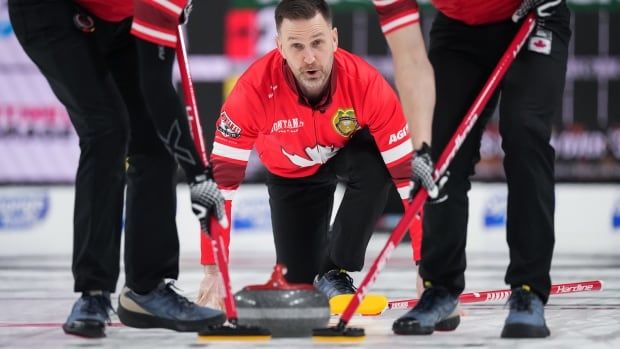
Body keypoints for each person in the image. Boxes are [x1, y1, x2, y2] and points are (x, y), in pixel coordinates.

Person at [196, 0, 442, 310]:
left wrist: (427, 267)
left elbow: (409, 181)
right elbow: (220, 188)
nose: (309, 58)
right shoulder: (251, 92)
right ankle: (316, 268)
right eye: (296, 46)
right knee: (299, 285)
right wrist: (213, 270)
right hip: (290, 176)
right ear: (279, 47)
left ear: (335, 40)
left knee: (378, 165)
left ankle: (336, 268)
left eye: (317, 43)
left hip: (347, 156)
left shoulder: (367, 86)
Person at [8, 0, 227, 338]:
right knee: (106, 129)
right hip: (46, 10)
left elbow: (156, 88)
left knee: (152, 139)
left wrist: (198, 175)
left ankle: (147, 288)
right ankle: (93, 294)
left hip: (117, 18)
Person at [373, 0, 571, 339]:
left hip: (536, 13)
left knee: (525, 133)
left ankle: (528, 291)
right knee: (440, 152)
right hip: (459, 29)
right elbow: (410, 59)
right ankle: (440, 288)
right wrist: (421, 147)